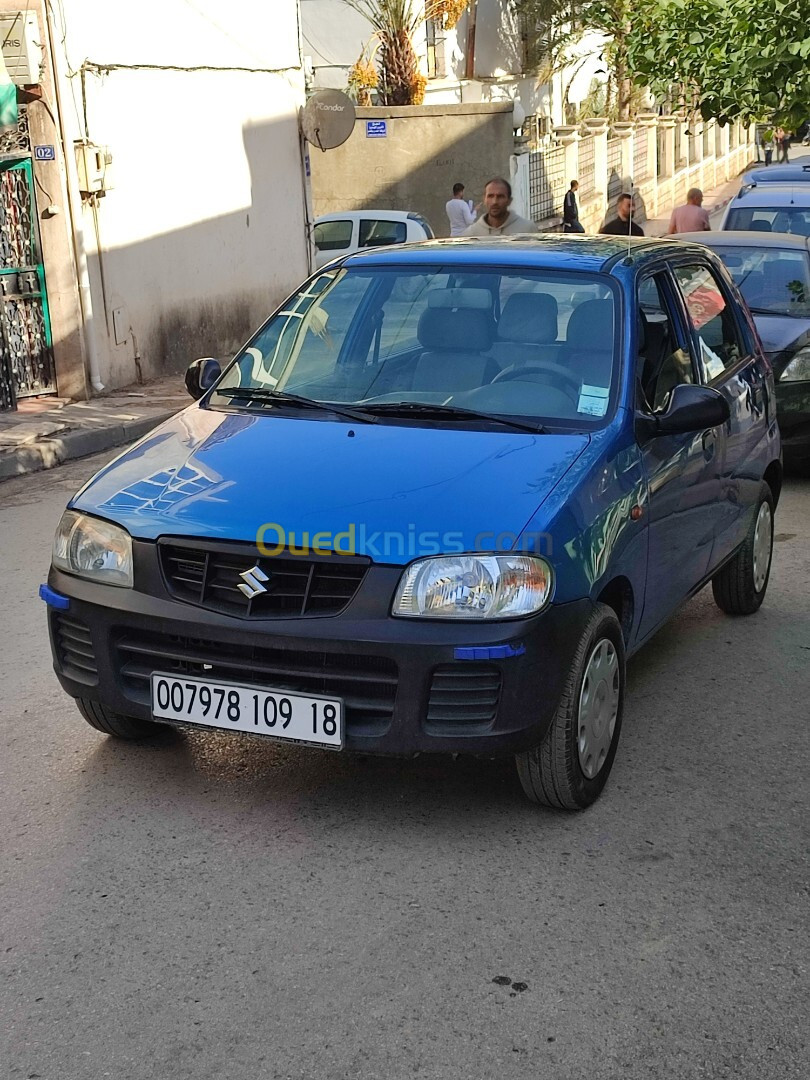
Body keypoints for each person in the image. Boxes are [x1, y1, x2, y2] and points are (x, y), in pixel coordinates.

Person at [462, 177, 538, 236]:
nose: (495, 202)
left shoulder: (528, 230)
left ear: (509, 200)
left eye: (500, 196)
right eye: (490, 196)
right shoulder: (471, 235)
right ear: (484, 199)